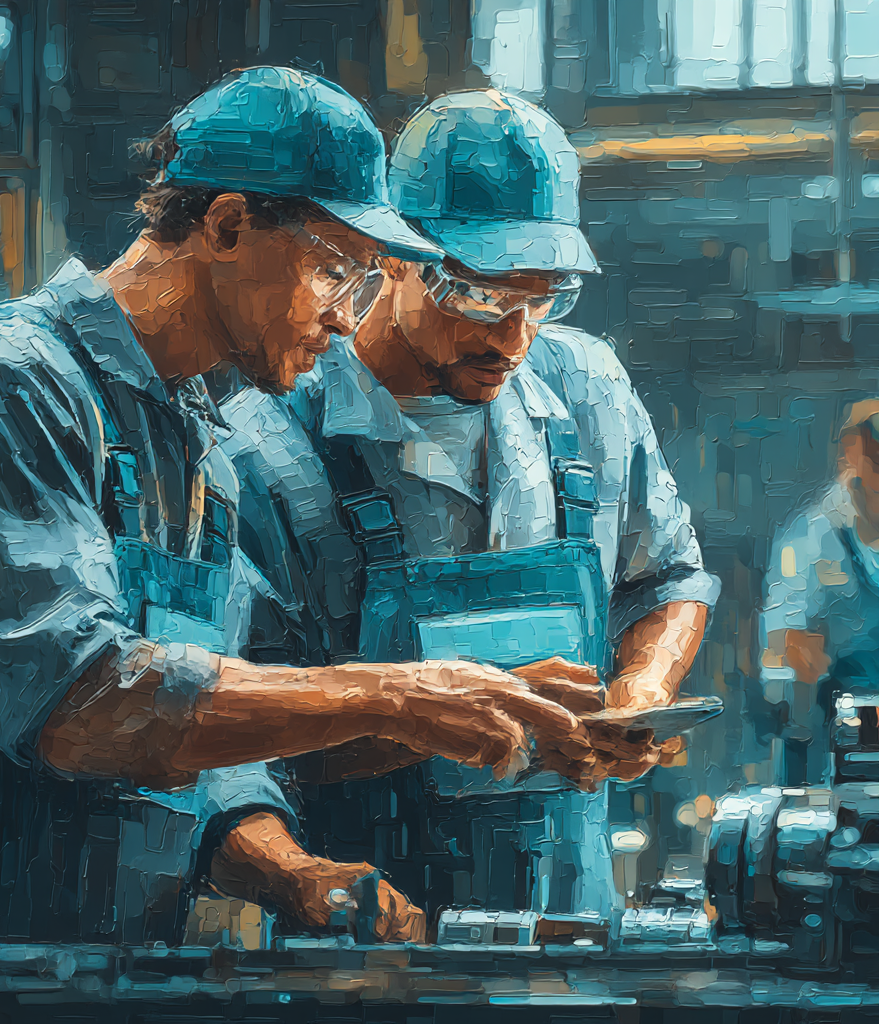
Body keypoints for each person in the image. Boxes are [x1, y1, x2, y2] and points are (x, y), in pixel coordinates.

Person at [0, 68, 596, 1021]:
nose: (348, 315)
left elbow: (211, 723)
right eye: (336, 269)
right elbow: (83, 704)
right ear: (229, 225)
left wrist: (293, 873)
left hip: (122, 982)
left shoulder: (198, 438)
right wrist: (399, 695)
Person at [211, 89, 720, 932]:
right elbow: (224, 737)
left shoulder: (588, 389)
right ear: (392, 256)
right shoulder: (262, 449)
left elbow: (667, 578)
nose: (512, 339)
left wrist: (642, 688)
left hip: (572, 920)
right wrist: (441, 722)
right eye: (481, 296)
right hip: (368, 931)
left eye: (542, 299)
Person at [760, 399, 879, 786]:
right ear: (853, 454)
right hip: (827, 747)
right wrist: (800, 655)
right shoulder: (810, 538)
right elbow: (785, 646)